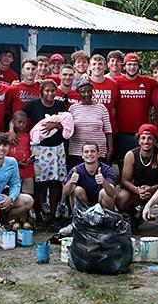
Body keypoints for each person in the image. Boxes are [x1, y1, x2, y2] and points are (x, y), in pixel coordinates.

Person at [24, 80, 70, 223]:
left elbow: (68, 123)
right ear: (41, 92)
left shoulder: (60, 105)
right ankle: (38, 215)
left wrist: (56, 125)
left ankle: (53, 213)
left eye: (53, 91)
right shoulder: (33, 105)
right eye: (47, 91)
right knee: (39, 183)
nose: (50, 94)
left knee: (55, 182)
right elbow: (20, 118)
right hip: (39, 150)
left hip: (57, 149)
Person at [117, 124, 158, 231]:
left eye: (150, 138)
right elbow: (124, 181)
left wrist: (153, 189)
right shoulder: (131, 155)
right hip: (139, 191)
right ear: (138, 140)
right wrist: (138, 190)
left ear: (155, 140)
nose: (146, 141)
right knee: (121, 197)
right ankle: (135, 214)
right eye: (143, 138)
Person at [113, 53, 158, 163]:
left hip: (142, 133)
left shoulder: (149, 82)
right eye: (129, 64)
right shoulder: (116, 82)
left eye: (135, 64)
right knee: (122, 162)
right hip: (121, 132)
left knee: (141, 162)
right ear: (124, 66)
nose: (132, 67)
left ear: (139, 66)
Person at [68, 79, 113, 168]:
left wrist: (110, 149)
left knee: (98, 177)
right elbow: (68, 129)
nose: (87, 94)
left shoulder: (101, 108)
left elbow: (108, 130)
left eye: (89, 91)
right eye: (83, 92)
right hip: (77, 151)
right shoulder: (73, 108)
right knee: (78, 178)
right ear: (78, 93)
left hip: (98, 150)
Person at [63, 143, 116, 210]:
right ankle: (81, 219)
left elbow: (112, 193)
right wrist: (71, 182)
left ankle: (106, 219)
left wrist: (104, 182)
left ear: (98, 154)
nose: (89, 154)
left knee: (105, 192)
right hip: (84, 204)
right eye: (86, 152)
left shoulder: (106, 169)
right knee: (77, 190)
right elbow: (65, 193)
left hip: (101, 205)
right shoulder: (75, 170)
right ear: (82, 155)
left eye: (93, 151)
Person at [7, 110, 35, 201]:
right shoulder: (7, 137)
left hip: (27, 171)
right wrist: (16, 163)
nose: (22, 125)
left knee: (27, 195)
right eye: (19, 122)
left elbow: (31, 151)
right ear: (13, 122)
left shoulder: (27, 136)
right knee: (14, 194)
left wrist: (31, 160)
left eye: (24, 123)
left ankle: (26, 213)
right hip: (13, 172)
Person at [88, 54, 119, 134]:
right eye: (94, 64)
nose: (97, 67)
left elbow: (114, 108)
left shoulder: (113, 84)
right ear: (89, 67)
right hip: (89, 128)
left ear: (105, 66)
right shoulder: (85, 82)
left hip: (109, 128)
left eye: (100, 64)